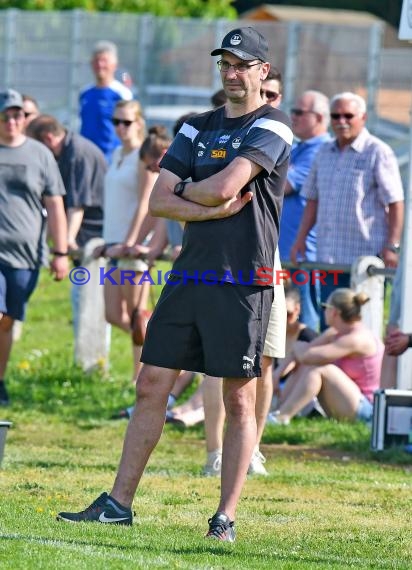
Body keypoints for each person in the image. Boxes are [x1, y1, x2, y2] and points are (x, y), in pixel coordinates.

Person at [57, 26, 292, 542]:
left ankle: (224, 517)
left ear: (262, 71)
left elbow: (229, 186)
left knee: (237, 400)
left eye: (242, 65)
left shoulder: (273, 125)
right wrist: (201, 199)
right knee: (150, 385)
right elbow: (161, 201)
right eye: (225, 65)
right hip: (188, 275)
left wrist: (194, 191)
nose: (232, 73)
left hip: (241, 278)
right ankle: (118, 504)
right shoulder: (194, 127)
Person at [291, 92, 404, 329]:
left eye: (348, 115)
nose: (341, 120)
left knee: (362, 327)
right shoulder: (324, 152)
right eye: (336, 115)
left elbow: (395, 202)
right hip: (330, 257)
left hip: (365, 259)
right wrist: (300, 239)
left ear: (362, 117)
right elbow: (312, 199)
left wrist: (392, 246)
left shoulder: (377, 151)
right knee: (331, 325)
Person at [0, 89, 68, 406]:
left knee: (8, 321)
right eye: (5, 115)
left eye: (17, 115)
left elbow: (55, 204)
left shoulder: (39, 155)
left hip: (25, 257)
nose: (12, 121)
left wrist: (60, 252)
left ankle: (0, 381)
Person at [27, 114, 107, 336]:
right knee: (80, 299)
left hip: (93, 236)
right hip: (83, 235)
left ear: (48, 138)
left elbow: (77, 205)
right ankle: (85, 360)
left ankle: (94, 361)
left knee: (93, 303)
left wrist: (66, 240)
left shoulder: (77, 154)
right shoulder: (67, 151)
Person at [92, 100, 154, 375]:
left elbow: (145, 203)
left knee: (137, 316)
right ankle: (161, 341)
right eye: (115, 122)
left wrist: (130, 242)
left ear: (139, 123)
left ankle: (139, 380)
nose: (120, 128)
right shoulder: (117, 152)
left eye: (126, 122)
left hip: (132, 249)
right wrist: (110, 242)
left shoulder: (144, 155)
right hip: (113, 244)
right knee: (114, 315)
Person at [268, 289, 383, 425]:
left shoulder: (356, 338)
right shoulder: (335, 333)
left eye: (324, 307)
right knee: (310, 364)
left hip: (368, 411)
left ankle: (282, 417)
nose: (323, 311)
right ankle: (276, 412)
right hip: (349, 401)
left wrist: (298, 347)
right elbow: (302, 355)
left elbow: (306, 355)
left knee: (320, 369)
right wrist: (276, 374)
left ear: (334, 312)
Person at [279, 90, 331, 331]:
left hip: (302, 257)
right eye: (293, 111)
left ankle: (304, 370)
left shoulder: (321, 149)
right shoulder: (299, 148)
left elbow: (282, 185)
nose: (293, 116)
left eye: (300, 112)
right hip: (285, 253)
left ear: (319, 118)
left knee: (302, 325)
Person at [79, 40, 133, 163]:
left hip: (111, 159)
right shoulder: (84, 93)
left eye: (104, 61)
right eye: (96, 61)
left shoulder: (122, 94)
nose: (100, 65)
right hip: (85, 158)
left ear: (115, 65)